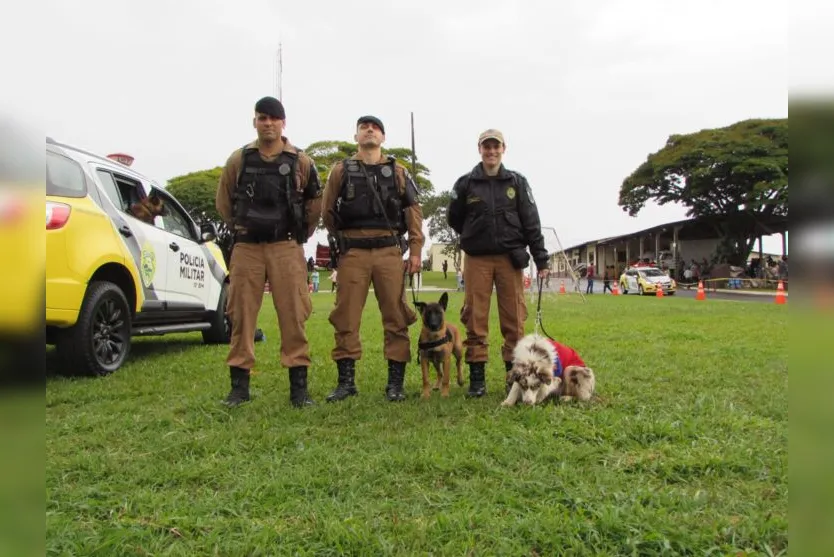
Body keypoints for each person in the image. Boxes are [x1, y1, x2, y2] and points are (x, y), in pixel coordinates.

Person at [215, 96, 322, 408]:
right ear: (255, 122)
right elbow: (224, 202)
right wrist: (241, 227)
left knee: (294, 314)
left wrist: (300, 234)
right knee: (241, 314)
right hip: (247, 247)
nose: (268, 123)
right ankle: (239, 387)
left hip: (286, 246)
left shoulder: (301, 161)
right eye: (262, 118)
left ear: (283, 123)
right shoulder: (240, 159)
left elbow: (314, 204)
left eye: (274, 118)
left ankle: (298, 389)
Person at [322, 115, 424, 402]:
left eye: (376, 127)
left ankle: (395, 384)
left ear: (383, 137)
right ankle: (346, 382)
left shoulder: (399, 172)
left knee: (396, 315)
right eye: (364, 127)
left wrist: (415, 249)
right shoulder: (341, 171)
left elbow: (413, 212)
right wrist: (343, 240)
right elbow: (328, 211)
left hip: (389, 252)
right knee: (345, 316)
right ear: (356, 137)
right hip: (353, 251)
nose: (370, 130)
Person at [447, 129, 550, 397]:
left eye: (496, 146)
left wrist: (541, 258)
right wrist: (476, 234)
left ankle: (513, 377)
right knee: (475, 317)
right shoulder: (466, 183)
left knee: (514, 319)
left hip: (509, 258)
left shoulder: (517, 182)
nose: (491, 151)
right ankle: (477, 379)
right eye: (486, 146)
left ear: (504, 148)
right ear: (479, 149)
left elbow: (531, 221)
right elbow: (454, 219)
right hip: (477, 259)